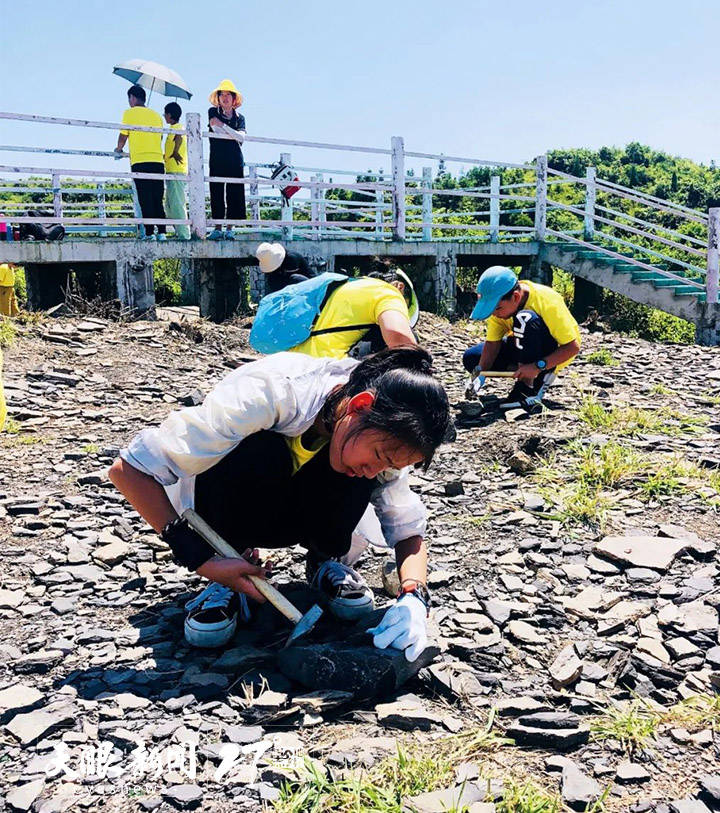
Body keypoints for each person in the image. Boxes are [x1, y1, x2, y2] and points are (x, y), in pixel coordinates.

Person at [108, 347, 451, 662]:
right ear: (359, 406)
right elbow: (131, 469)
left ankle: (324, 561)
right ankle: (233, 563)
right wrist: (201, 560)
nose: (376, 468)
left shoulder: (383, 442)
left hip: (305, 509)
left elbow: (407, 528)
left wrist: (413, 598)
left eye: (389, 464)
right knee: (263, 450)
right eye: (379, 455)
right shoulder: (272, 393)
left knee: (356, 471)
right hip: (240, 496)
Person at [462, 266, 581, 410]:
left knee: (525, 319)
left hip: (553, 351)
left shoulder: (545, 300)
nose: (494, 314)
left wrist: (538, 366)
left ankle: (529, 385)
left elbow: (572, 347)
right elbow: (493, 344)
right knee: (472, 357)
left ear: (516, 297)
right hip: (521, 344)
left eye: (497, 309)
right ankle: (523, 370)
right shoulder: (500, 308)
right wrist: (480, 374)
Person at [289, 268, 419, 360]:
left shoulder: (349, 285)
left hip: (294, 361)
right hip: (327, 370)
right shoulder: (389, 292)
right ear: (400, 286)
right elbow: (399, 335)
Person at [115, 85, 167, 241]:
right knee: (158, 197)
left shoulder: (129, 113)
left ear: (132, 97)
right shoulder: (157, 116)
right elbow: (160, 138)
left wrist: (118, 149)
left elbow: (123, 135)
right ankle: (162, 232)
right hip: (157, 160)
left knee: (145, 198)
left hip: (140, 161)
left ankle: (150, 233)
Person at [207, 79, 246, 240]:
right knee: (216, 192)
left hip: (235, 159)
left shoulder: (240, 117)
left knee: (234, 193)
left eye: (228, 94)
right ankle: (217, 228)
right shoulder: (212, 112)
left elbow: (241, 138)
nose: (225, 98)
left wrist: (224, 127)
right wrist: (232, 134)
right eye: (221, 94)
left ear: (234, 98)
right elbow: (215, 130)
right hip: (217, 158)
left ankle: (230, 228)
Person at [162, 102, 190, 240]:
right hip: (171, 170)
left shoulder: (177, 127)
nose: (164, 116)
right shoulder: (174, 127)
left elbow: (179, 137)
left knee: (177, 203)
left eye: (164, 114)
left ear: (169, 115)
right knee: (169, 205)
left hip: (177, 171)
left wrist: (175, 151)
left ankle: (184, 234)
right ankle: (179, 231)